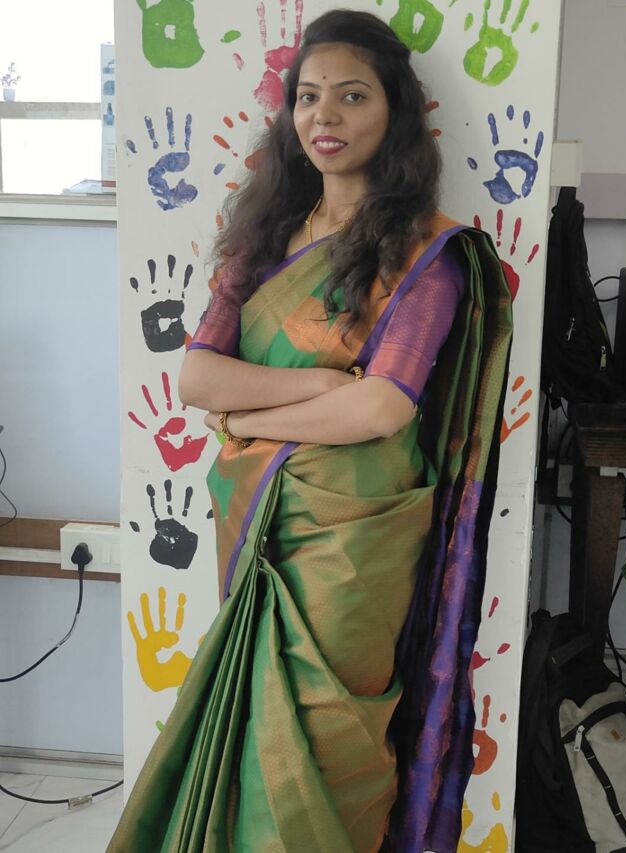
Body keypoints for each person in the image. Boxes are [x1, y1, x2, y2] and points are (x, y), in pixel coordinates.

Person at [107, 9, 513, 853]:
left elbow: (382, 408)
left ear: (396, 112)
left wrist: (244, 418)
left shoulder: (427, 256)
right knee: (251, 726)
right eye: (308, 96)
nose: (324, 115)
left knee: (332, 739)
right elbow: (196, 377)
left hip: (357, 539)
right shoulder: (263, 241)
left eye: (352, 96)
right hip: (255, 518)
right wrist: (319, 385)